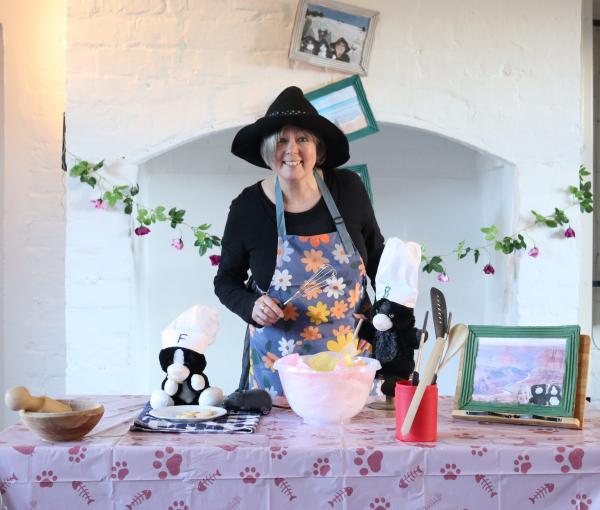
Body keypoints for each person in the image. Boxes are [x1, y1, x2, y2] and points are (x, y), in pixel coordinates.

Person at [214, 86, 384, 397]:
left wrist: (392, 321)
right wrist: (250, 305)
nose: (292, 150)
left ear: (317, 147)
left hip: (349, 363)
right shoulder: (248, 207)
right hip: (279, 372)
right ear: (267, 150)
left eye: (302, 139)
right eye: (281, 140)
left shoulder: (349, 190)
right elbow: (226, 280)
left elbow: (378, 261)